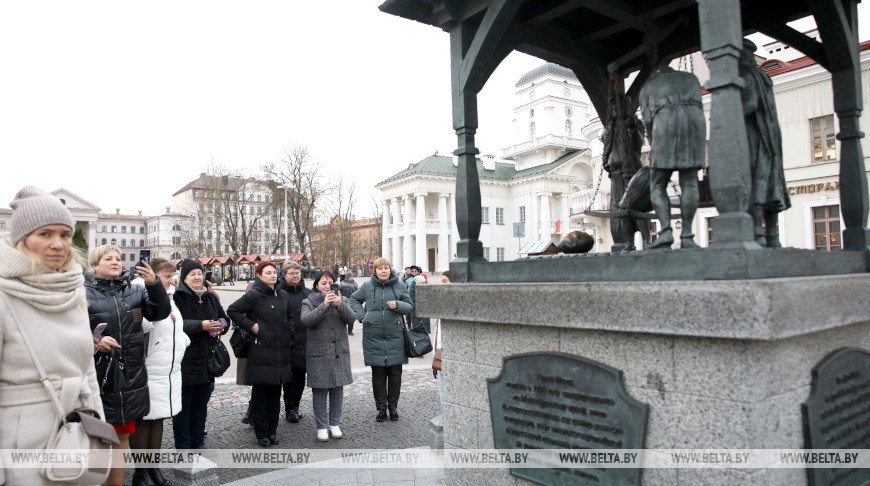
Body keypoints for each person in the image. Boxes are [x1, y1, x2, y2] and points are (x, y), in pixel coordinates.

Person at [0, 187, 104, 486]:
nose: (58, 244)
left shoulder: (73, 290)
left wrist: (99, 432)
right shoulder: (4, 294)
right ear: (22, 239)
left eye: (64, 234)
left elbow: (87, 372)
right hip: (19, 449)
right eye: (45, 234)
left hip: (75, 436)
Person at [87, 243, 171, 486]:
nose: (115, 262)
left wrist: (154, 284)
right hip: (99, 376)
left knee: (122, 438)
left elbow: (159, 313)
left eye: (118, 258)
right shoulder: (82, 293)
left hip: (130, 376)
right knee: (97, 440)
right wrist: (95, 341)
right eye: (107, 259)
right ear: (94, 265)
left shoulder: (133, 290)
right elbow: (70, 332)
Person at [131, 257, 190, 486]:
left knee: (158, 419)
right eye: (166, 276)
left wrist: (182, 341)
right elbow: (139, 326)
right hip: (150, 367)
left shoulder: (170, 296)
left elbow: (175, 326)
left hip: (167, 369)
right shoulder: (138, 292)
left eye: (171, 275)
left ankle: (153, 469)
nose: (171, 280)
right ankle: (141, 472)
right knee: (144, 420)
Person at [227, 261, 294, 447]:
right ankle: (261, 433)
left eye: (275, 272)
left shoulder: (282, 294)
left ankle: (272, 431)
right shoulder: (255, 295)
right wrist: (253, 327)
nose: (273, 275)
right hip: (261, 351)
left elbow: (289, 317)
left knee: (275, 395)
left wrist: (290, 332)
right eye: (268, 272)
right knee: (261, 395)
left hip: (280, 350)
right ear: (259, 275)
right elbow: (233, 310)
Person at [639, 66, 706, 250]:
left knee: (658, 183)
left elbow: (647, 120)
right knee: (690, 182)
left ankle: (666, 231)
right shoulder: (691, 78)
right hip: (694, 125)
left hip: (665, 125)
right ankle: (687, 236)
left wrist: (654, 146)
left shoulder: (648, 88)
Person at [172, 259, 229, 450]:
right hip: (186, 360)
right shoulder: (177, 297)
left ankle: (197, 440)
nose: (197, 277)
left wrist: (221, 327)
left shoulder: (209, 297)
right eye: (192, 274)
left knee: (201, 404)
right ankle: (184, 445)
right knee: (184, 407)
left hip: (207, 360)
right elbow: (176, 324)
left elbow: (224, 318)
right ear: (184, 278)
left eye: (199, 273)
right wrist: (201, 326)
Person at [740, 38, 791, 247]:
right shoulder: (763, 76)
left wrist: (725, 113)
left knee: (755, 183)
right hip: (770, 137)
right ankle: (772, 236)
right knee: (772, 185)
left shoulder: (746, 75)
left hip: (752, 136)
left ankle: (756, 234)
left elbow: (749, 104)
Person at [349, 258, 412, 422]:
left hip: (395, 337)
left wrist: (398, 305)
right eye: (380, 268)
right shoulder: (367, 286)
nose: (384, 271)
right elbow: (353, 299)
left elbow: (409, 306)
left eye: (386, 268)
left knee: (395, 375)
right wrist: (362, 316)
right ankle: (381, 409)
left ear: (390, 269)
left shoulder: (399, 285)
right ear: (374, 271)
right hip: (373, 337)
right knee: (377, 375)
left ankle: (393, 407)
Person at [300, 271, 355, 442]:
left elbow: (351, 318)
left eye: (330, 283)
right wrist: (323, 306)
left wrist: (340, 305)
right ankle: (321, 427)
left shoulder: (343, 300)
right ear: (316, 285)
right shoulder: (308, 301)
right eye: (323, 283)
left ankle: (335, 424)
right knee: (320, 391)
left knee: (337, 389)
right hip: (319, 353)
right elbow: (306, 320)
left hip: (339, 351)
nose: (327, 286)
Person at [277, 261, 311, 423]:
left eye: (297, 273)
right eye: (291, 273)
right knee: (289, 379)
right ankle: (289, 408)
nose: (295, 276)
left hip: (305, 341)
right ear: (284, 275)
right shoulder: (280, 293)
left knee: (300, 377)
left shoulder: (308, 293)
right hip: (287, 342)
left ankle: (296, 406)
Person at [433, 271, 451, 404]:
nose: (442, 285)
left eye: (445, 281)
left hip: (447, 355)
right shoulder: (443, 302)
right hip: (440, 354)